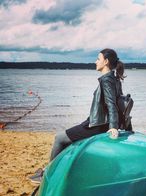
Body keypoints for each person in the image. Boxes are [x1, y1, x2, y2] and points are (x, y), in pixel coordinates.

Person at [29, 48, 128, 184]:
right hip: (97, 122)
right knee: (69, 137)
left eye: (98, 59)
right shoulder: (114, 78)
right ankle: (53, 169)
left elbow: (112, 104)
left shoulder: (106, 80)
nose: (95, 62)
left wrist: (113, 127)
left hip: (98, 125)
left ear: (105, 62)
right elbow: (117, 103)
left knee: (59, 138)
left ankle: (48, 175)